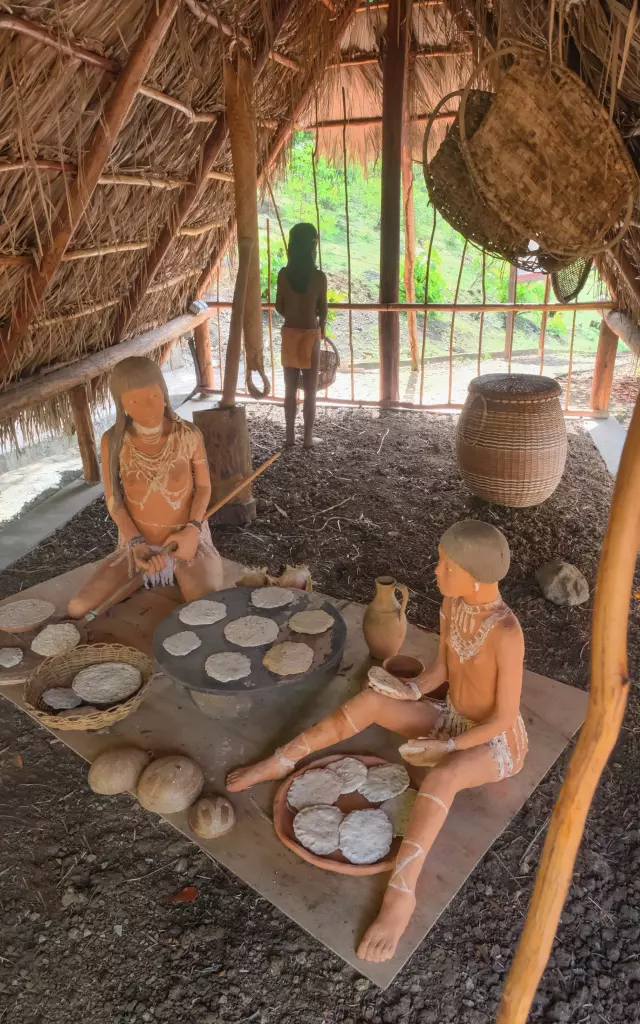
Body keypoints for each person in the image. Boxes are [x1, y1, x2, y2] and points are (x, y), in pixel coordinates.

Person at [227, 520, 528, 963]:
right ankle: (281, 760)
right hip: (452, 718)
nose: (435, 570)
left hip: (495, 743)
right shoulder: (452, 606)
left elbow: (502, 719)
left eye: (445, 564)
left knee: (441, 780)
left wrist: (447, 748)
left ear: (474, 574)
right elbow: (441, 672)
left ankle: (400, 897)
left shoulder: (507, 633)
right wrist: (407, 691)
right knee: (369, 700)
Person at [68, 356, 223, 619]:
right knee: (79, 608)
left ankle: (180, 568)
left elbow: (205, 488)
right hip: (136, 544)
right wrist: (136, 543)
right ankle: (141, 571)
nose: (147, 408)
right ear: (122, 405)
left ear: (163, 392)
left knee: (206, 610)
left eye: (152, 396)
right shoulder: (114, 441)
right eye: (134, 401)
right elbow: (114, 500)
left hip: (186, 542)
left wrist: (192, 529)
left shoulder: (188, 435)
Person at [275, 222, 327, 448]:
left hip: (290, 335)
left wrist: (292, 312)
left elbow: (279, 306)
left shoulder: (283, 275)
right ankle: (307, 438)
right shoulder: (319, 278)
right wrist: (319, 325)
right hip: (309, 337)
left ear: (292, 247)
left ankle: (289, 436)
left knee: (289, 390)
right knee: (310, 392)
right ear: (313, 247)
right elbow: (323, 310)